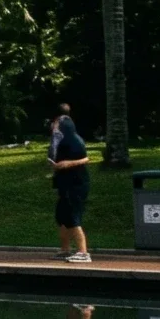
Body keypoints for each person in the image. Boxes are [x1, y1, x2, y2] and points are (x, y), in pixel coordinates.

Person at [50, 103, 92, 263]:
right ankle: (65, 249)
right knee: (61, 216)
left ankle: (83, 252)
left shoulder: (72, 136)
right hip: (64, 183)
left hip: (76, 184)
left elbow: (87, 158)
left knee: (72, 215)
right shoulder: (61, 136)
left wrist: (67, 164)